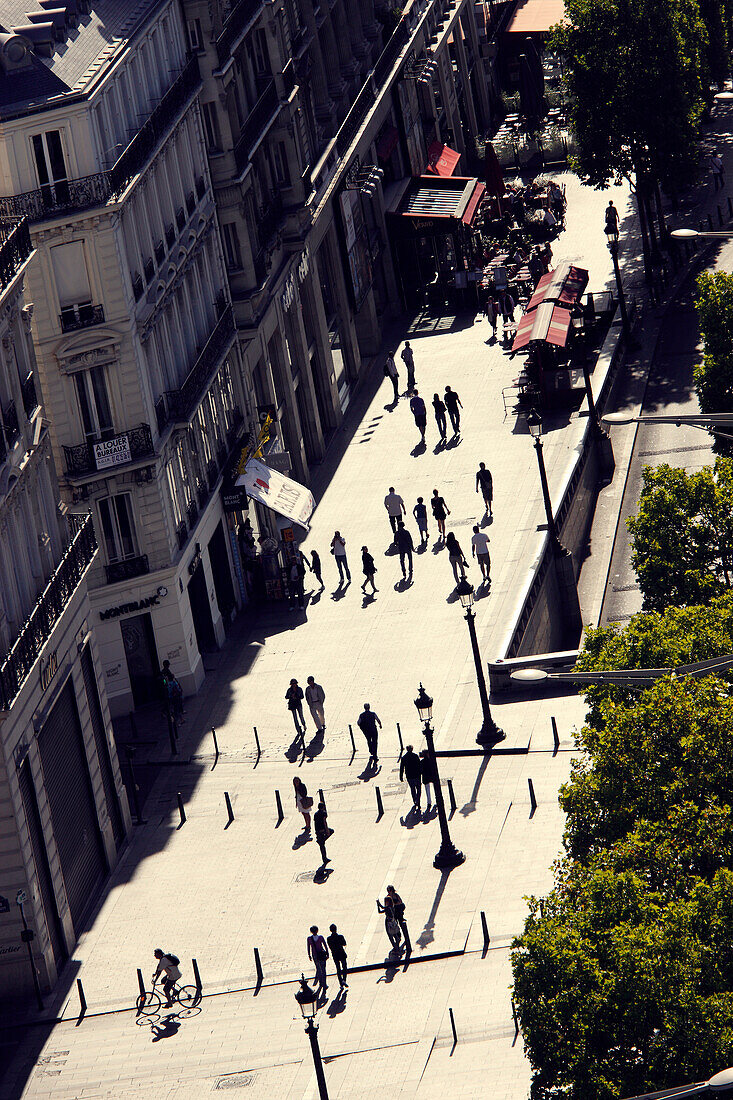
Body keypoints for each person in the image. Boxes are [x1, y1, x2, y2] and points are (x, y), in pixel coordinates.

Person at [386, 886, 411, 952]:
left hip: (398, 913)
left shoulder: (396, 895)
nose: (389, 892)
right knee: (395, 925)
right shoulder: (388, 897)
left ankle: (405, 938)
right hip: (393, 914)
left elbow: (400, 902)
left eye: (389, 890)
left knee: (401, 924)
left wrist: (394, 903)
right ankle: (398, 937)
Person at [307, 926, 329, 996]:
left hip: (315, 955)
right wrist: (327, 953)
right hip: (322, 955)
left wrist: (309, 955)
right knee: (323, 969)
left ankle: (320, 983)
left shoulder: (309, 939)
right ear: (317, 930)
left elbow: (308, 947)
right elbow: (325, 945)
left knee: (318, 969)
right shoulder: (321, 937)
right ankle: (325, 984)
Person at [399, 745, 422, 809]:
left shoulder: (404, 758)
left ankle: (415, 800)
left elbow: (401, 768)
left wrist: (401, 776)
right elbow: (419, 766)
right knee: (419, 789)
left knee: (412, 789)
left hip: (409, 776)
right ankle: (418, 801)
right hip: (417, 775)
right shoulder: (415, 756)